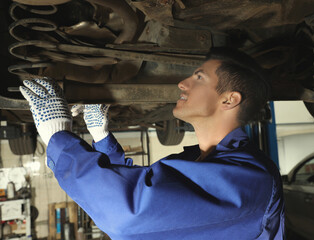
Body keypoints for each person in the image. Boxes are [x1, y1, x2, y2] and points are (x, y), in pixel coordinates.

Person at [20, 48, 284, 240]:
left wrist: (59, 137)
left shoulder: (251, 180)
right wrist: (100, 136)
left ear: (229, 100)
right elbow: (145, 190)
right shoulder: (202, 162)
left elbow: (130, 215)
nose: (183, 83)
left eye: (199, 78)